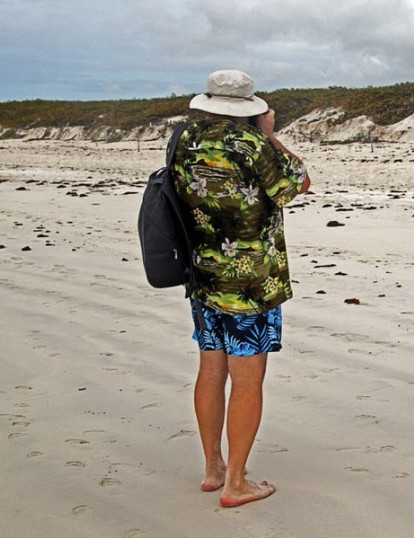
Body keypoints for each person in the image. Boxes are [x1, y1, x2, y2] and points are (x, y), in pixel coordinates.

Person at [171, 69, 311, 507]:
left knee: (211, 370)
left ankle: (213, 467)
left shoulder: (184, 138)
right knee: (248, 379)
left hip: (204, 273)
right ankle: (236, 483)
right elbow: (298, 184)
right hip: (252, 281)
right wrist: (269, 135)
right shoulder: (251, 144)